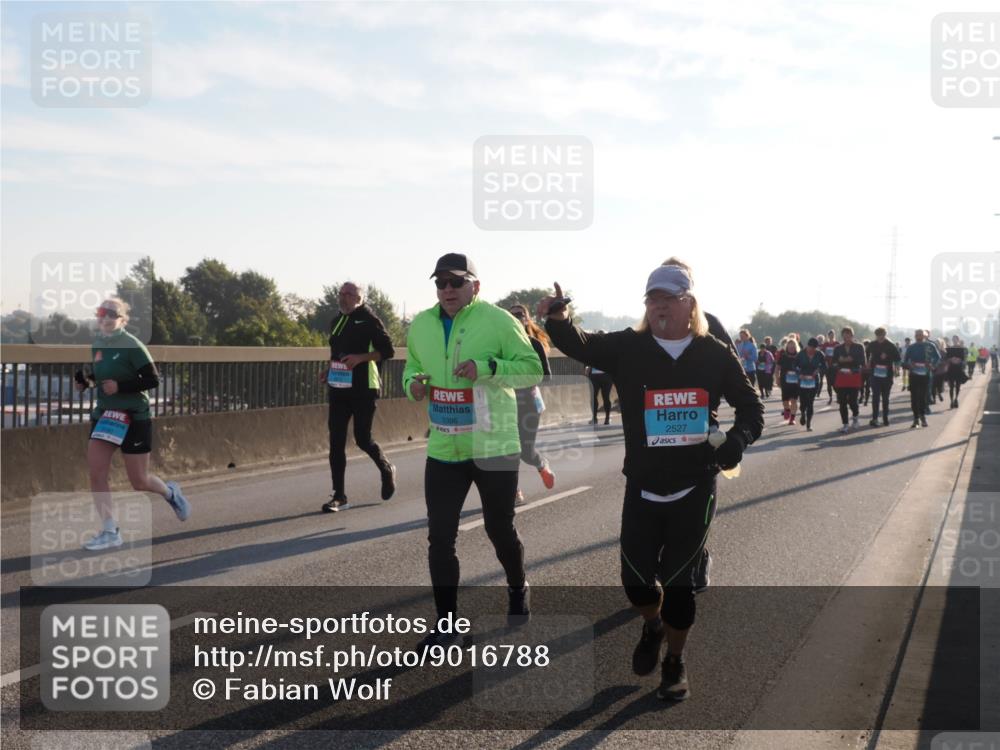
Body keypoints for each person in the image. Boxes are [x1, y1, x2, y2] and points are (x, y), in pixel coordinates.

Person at [540, 265, 764, 702]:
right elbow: (578, 344)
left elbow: (751, 408)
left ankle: (675, 662)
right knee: (636, 582)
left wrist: (737, 439)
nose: (659, 306)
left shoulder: (713, 352)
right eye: (652, 299)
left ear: (689, 304)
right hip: (642, 484)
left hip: (695, 484)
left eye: (668, 298)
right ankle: (652, 624)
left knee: (680, 587)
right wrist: (559, 318)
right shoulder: (629, 347)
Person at [403, 254, 542, 646]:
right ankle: (446, 623)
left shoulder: (499, 321)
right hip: (445, 447)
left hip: (494, 445)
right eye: (441, 282)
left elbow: (532, 368)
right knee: (440, 537)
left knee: (500, 529)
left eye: (455, 281)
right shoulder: (422, 324)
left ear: (475, 286)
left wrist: (487, 367)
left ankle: (517, 587)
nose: (447, 289)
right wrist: (412, 384)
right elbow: (411, 367)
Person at [75, 298, 190, 550]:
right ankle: (109, 530)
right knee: (96, 473)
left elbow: (152, 379)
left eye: (110, 313)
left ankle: (171, 493)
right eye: (100, 312)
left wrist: (121, 387)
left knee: (139, 481)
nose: (104, 317)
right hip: (105, 416)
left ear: (122, 319)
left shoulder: (132, 345)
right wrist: (85, 382)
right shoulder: (97, 344)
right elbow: (99, 375)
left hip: (134, 416)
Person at [321, 282, 397, 513]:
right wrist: (329, 369)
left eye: (349, 294)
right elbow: (337, 353)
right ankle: (339, 495)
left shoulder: (369, 320)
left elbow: (388, 350)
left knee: (362, 438)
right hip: (339, 386)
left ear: (360, 298)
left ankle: (387, 469)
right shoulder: (337, 321)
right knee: (336, 440)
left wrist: (361, 358)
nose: (343, 298)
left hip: (365, 387)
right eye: (341, 293)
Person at [508, 303, 556, 503]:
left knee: (525, 451)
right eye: (512, 315)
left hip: (529, 401)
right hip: (505, 403)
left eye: (521, 314)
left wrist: (522, 378)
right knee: (507, 450)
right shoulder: (500, 345)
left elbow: (547, 377)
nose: (517, 317)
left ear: (527, 319)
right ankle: (513, 490)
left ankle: (541, 464)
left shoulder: (534, 344)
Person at [902, 329, 941, 428]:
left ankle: (923, 417)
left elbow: (938, 357)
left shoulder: (930, 346)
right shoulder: (911, 347)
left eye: (920, 335)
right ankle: (916, 419)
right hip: (914, 375)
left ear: (924, 336)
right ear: (915, 336)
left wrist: (932, 365)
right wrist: (910, 365)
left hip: (925, 375)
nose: (918, 336)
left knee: (923, 397)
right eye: (917, 335)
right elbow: (905, 361)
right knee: (914, 397)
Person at [831, 327, 866, 433]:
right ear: (842, 336)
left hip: (854, 376)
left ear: (852, 336)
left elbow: (862, 362)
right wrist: (839, 365)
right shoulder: (838, 348)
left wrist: (851, 360)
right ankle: (845, 424)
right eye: (844, 335)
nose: (846, 338)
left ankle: (855, 417)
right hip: (841, 376)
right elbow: (834, 363)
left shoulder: (859, 347)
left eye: (848, 335)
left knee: (852, 401)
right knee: (842, 402)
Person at [867, 327, 900, 426]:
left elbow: (898, 359)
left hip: (887, 375)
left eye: (882, 335)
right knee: (875, 397)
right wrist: (868, 362)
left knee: (885, 398)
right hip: (875, 374)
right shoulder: (872, 344)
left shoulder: (891, 345)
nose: (880, 337)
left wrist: (889, 358)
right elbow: (866, 354)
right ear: (876, 335)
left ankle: (885, 418)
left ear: (885, 335)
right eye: (878, 335)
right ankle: (875, 418)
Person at [796, 338, 827, 431]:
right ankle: (802, 414)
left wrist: (818, 370)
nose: (811, 350)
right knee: (803, 402)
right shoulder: (801, 354)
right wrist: (799, 374)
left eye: (814, 348)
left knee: (810, 402)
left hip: (814, 381)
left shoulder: (819, 354)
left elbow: (824, 366)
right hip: (802, 380)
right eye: (810, 347)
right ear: (807, 345)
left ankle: (808, 423)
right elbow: (795, 365)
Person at [774, 338, 800, 425]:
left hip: (796, 382)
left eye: (793, 347)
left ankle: (792, 418)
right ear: (787, 347)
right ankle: (787, 409)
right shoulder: (783, 356)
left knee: (794, 400)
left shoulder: (799, 356)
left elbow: (804, 367)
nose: (791, 348)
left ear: (796, 347)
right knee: (785, 401)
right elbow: (777, 368)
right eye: (789, 347)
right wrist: (777, 378)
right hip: (785, 381)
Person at [586, 350, 614, 425]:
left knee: (604, 397)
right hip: (597, 376)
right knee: (595, 397)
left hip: (605, 376)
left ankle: (605, 418)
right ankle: (596, 418)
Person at [944, 336, 967, 409]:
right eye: (953, 339)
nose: (954, 341)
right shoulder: (949, 349)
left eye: (955, 339)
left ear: (958, 340)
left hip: (959, 369)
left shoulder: (962, 349)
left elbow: (964, 359)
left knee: (957, 386)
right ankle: (951, 401)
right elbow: (947, 359)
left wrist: (958, 360)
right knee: (951, 387)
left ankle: (956, 399)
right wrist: (951, 359)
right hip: (951, 369)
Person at [823, 330, 839, 404]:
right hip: (827, 366)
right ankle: (830, 398)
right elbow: (822, 355)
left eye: (832, 335)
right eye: (830, 335)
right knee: (829, 383)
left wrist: (837, 363)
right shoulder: (825, 344)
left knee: (835, 383)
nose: (831, 336)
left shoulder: (837, 344)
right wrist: (824, 362)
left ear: (834, 335)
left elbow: (840, 354)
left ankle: (838, 395)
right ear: (828, 336)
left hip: (835, 367)